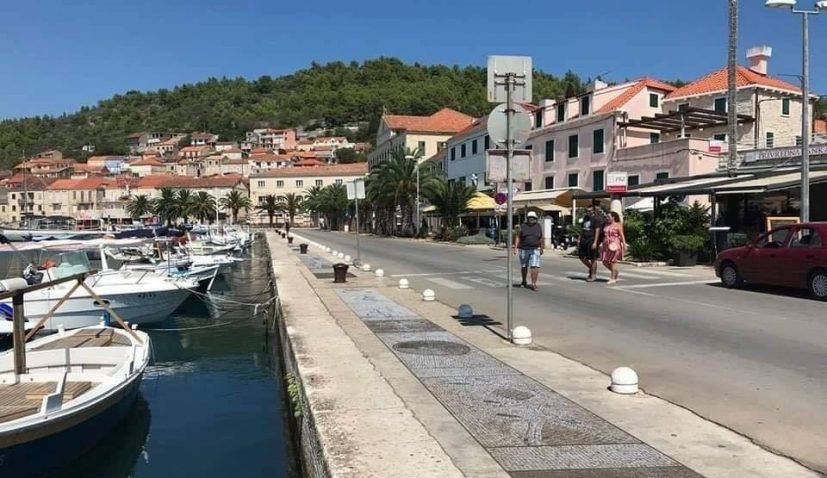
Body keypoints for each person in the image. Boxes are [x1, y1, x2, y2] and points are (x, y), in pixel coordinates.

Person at [514, 211, 544, 291]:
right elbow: (517, 237)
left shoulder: (538, 226)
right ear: (527, 218)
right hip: (524, 249)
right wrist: (515, 248)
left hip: (535, 249)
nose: (531, 219)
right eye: (530, 217)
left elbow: (541, 237)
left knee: (535, 266)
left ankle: (534, 284)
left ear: (535, 218)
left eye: (533, 218)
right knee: (524, 266)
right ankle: (524, 281)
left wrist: (541, 248)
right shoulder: (522, 226)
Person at [593, 211, 626, 285]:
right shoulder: (606, 224)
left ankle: (612, 278)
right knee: (604, 261)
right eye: (607, 217)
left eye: (608, 217)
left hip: (614, 244)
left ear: (613, 217)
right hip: (606, 244)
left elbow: (622, 235)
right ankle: (615, 271)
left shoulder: (618, 225)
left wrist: (624, 244)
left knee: (612, 261)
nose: (607, 218)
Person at [578, 208, 601, 282]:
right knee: (581, 257)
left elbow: (597, 231)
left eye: (589, 211)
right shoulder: (585, 218)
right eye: (587, 211)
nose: (588, 212)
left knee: (593, 258)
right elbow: (582, 229)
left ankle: (593, 275)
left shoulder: (596, 219)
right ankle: (591, 268)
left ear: (593, 211)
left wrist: (595, 242)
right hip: (583, 240)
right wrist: (579, 239)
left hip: (591, 240)